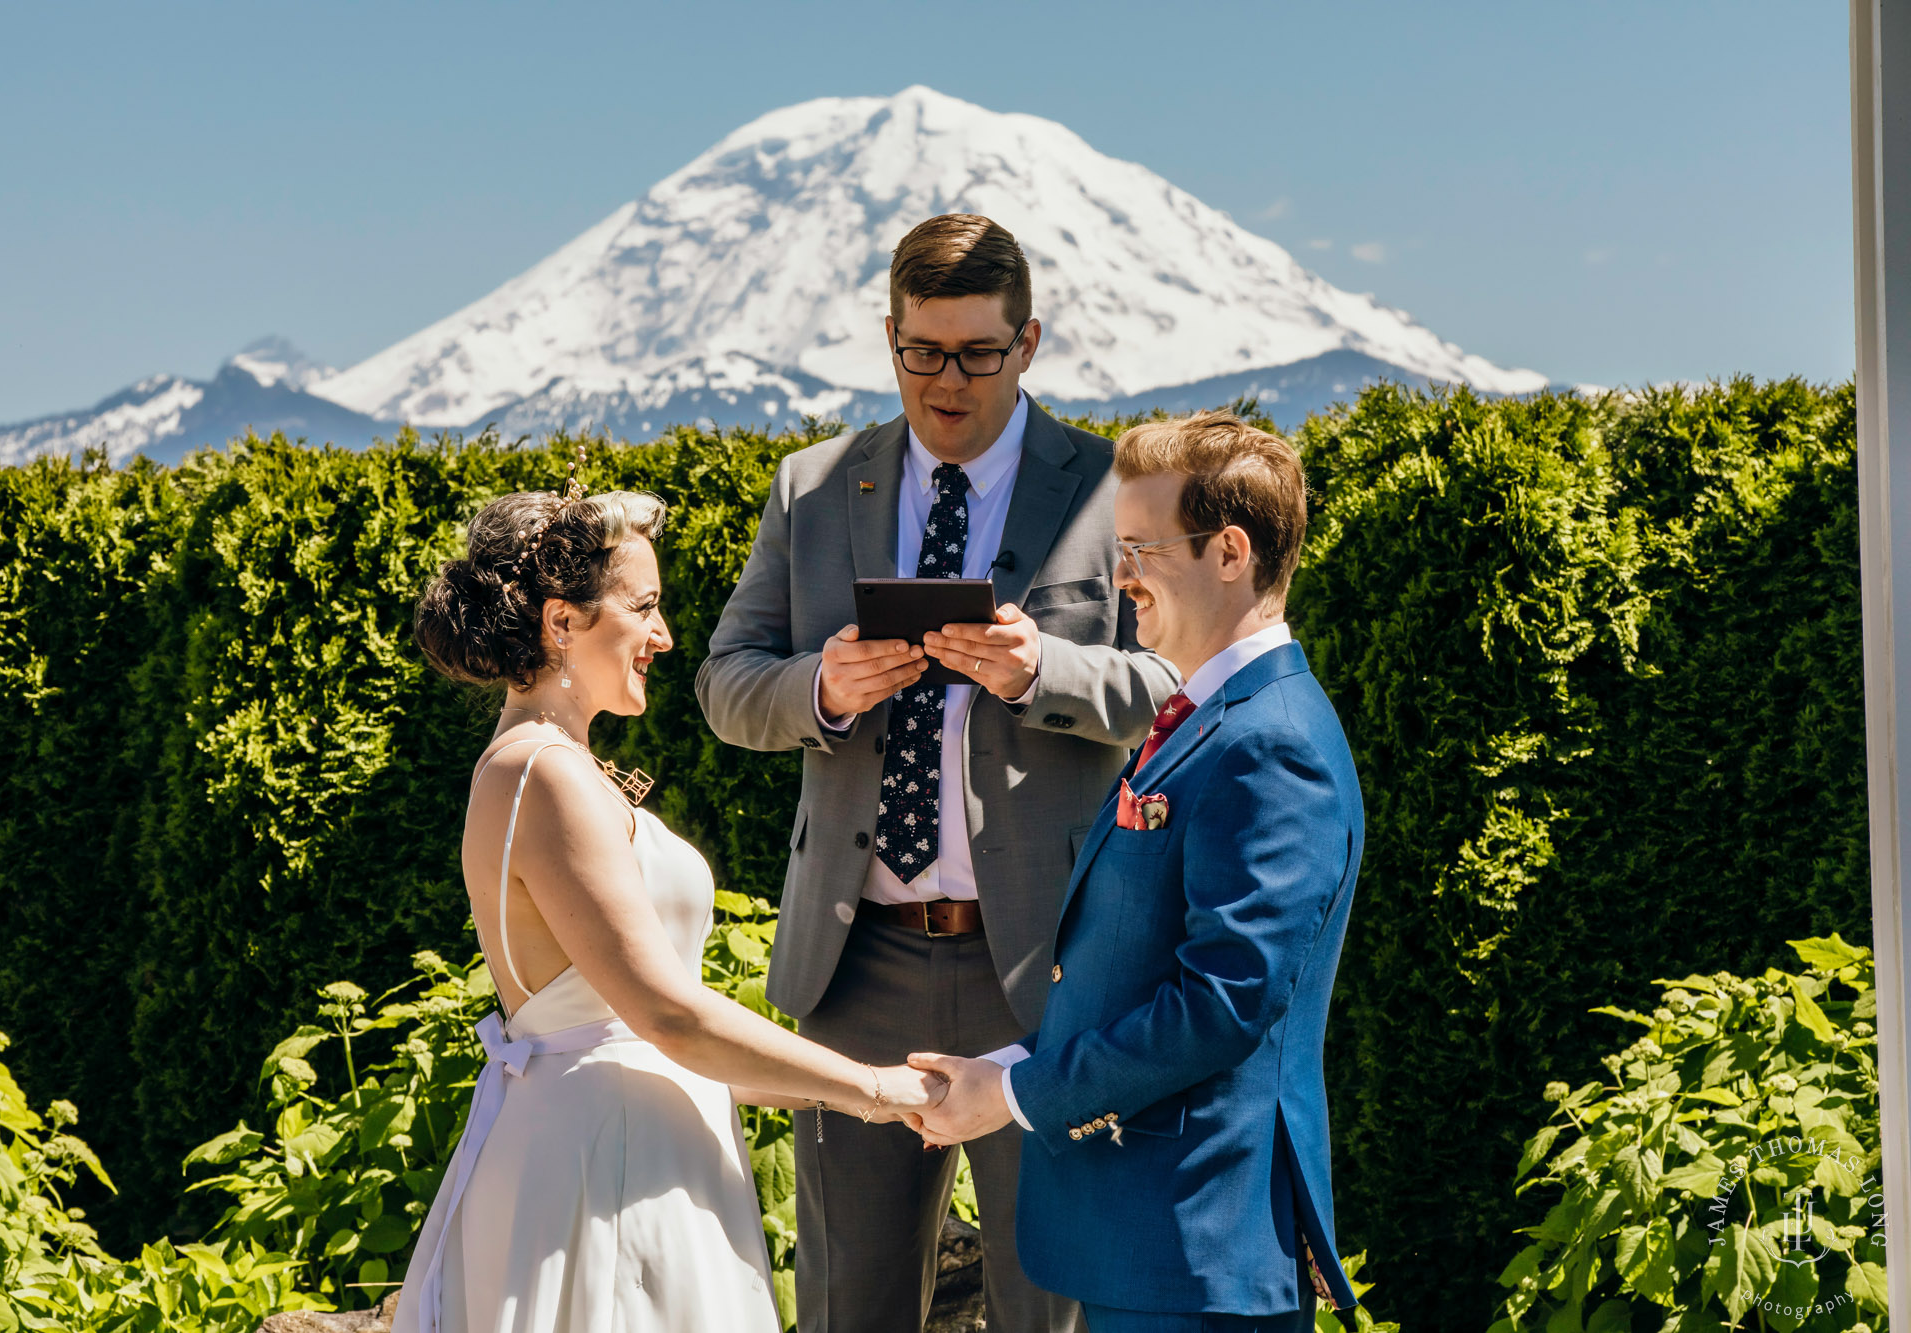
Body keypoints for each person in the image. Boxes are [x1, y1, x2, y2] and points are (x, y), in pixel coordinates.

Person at [696, 213, 1179, 1333]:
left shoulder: (1114, 489)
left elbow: (1178, 687)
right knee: (846, 1309)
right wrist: (821, 687)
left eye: (976, 353)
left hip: (1049, 970)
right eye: (922, 351)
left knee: (1048, 1308)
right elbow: (725, 683)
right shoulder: (812, 487)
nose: (945, 380)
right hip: (855, 964)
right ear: (889, 337)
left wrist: (1041, 671)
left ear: (1029, 344)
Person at [393, 474, 949, 1333]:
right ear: (562, 621)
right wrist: (875, 1087)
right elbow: (670, 1015)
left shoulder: (551, 768)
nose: (664, 634)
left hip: (636, 1145)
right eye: (643, 607)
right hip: (604, 1166)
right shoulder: (543, 774)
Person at [909, 411, 1368, 1333]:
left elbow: (1222, 1003)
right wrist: (1007, 1064)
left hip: (1195, 1243)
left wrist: (1012, 1094)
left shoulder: (1271, 743)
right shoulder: (1212, 714)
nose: (1121, 577)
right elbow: (1129, 959)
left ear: (1229, 551)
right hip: (1148, 1234)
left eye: (1140, 548)